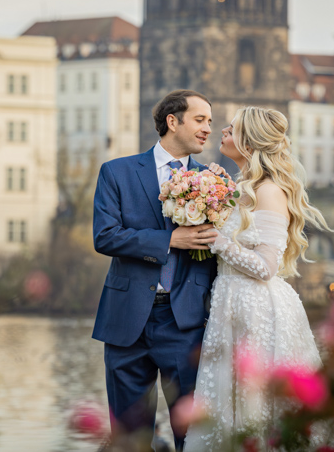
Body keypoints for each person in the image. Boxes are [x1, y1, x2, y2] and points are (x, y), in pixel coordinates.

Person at [184, 106, 331, 450]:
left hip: (256, 306)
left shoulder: (269, 190)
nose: (222, 131)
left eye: (231, 129)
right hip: (230, 302)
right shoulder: (238, 186)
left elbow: (266, 266)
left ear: (248, 143)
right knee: (227, 401)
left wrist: (218, 242)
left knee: (258, 403)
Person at [91, 90, 219, 451]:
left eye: (210, 121)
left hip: (186, 323)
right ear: (172, 121)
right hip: (125, 321)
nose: (208, 128)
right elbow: (105, 237)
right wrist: (169, 241)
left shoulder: (214, 183)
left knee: (191, 437)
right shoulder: (116, 172)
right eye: (200, 119)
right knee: (129, 439)